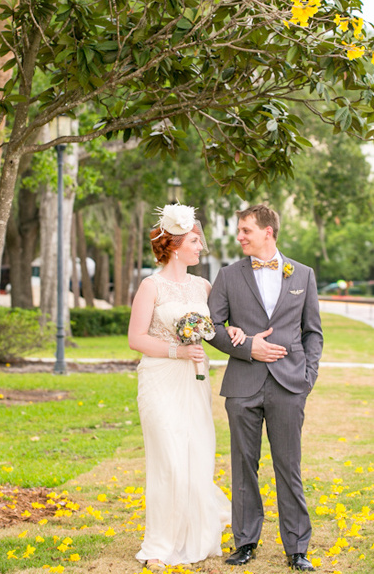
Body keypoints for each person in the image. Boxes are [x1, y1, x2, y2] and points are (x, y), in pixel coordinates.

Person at [128, 203, 245, 570]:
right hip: (160, 379)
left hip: (194, 382)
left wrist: (235, 330)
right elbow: (135, 338)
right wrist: (177, 351)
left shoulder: (204, 286)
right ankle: (160, 546)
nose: (201, 246)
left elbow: (216, 330)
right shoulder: (152, 286)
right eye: (195, 240)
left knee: (196, 456)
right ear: (176, 244)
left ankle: (194, 536)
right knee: (168, 460)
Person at [208, 205, 323, 572]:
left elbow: (313, 332)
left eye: (246, 230)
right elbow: (211, 325)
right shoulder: (228, 275)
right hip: (243, 385)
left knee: (289, 466)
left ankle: (297, 548)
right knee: (244, 465)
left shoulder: (303, 274)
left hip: (290, 385)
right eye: (240, 230)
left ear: (268, 232)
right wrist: (246, 346)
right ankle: (245, 543)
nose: (240, 236)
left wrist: (307, 378)